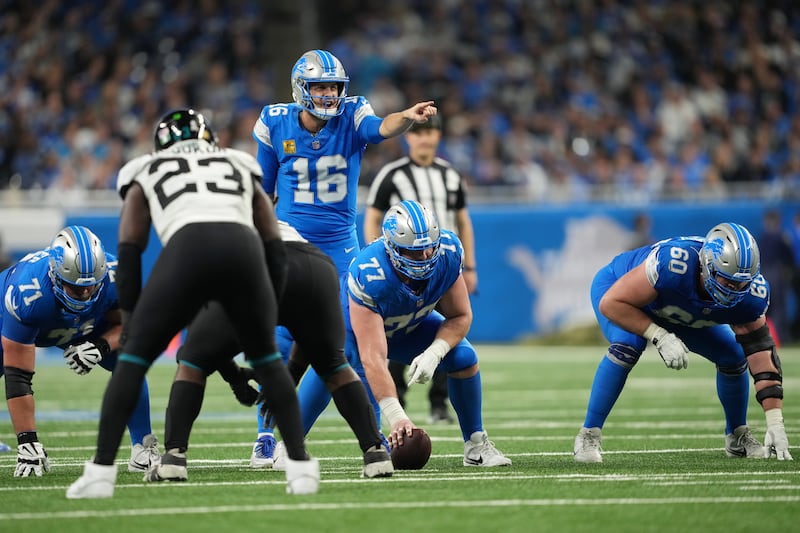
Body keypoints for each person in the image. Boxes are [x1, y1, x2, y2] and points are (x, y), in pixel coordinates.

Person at [66, 109, 318, 498]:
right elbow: (270, 238)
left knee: (132, 362)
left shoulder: (143, 169)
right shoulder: (238, 161)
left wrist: (131, 318)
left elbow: (130, 246)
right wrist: (271, 297)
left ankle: (101, 474)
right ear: (210, 140)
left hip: (187, 248)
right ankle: (301, 469)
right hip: (243, 251)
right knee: (269, 361)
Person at [248, 48, 438, 464]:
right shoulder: (275, 121)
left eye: (334, 85)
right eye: (320, 86)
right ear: (302, 88)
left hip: (340, 247)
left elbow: (378, 128)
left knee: (349, 343)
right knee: (281, 339)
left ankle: (378, 427)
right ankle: (266, 434)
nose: (330, 93)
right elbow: (263, 188)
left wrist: (406, 115)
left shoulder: (353, 115)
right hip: (288, 240)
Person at [144, 220, 393, 481]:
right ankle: (375, 453)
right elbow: (305, 339)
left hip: (250, 265)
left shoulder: (193, 237)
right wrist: (291, 374)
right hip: (314, 264)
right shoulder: (255, 214)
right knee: (334, 365)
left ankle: (173, 458)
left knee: (191, 364)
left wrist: (233, 377)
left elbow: (199, 344)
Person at [272, 200, 511, 468]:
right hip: (354, 327)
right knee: (338, 361)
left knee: (464, 357)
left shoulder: (447, 251)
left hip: (407, 324)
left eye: (428, 247)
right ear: (393, 248)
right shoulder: (370, 273)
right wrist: (397, 417)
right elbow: (373, 356)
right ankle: (290, 445)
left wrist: (435, 352)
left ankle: (476, 446)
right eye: (414, 252)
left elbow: (460, 316)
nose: (425, 257)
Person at [574, 222, 793, 463]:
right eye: (727, 281)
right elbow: (612, 303)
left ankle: (737, 435)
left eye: (742, 283)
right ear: (708, 267)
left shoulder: (752, 295)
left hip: (677, 309)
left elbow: (761, 355)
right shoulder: (674, 265)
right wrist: (659, 335)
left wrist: (775, 421)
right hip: (622, 292)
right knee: (629, 343)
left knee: (733, 354)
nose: (735, 290)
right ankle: (589, 434)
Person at [1, 225, 159, 476]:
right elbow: (18, 375)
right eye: (75, 287)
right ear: (55, 275)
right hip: (32, 319)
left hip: (85, 324)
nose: (85, 294)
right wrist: (27, 441)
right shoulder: (27, 294)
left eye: (92, 286)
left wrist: (100, 346)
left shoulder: (115, 278)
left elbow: (134, 326)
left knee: (129, 362)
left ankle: (142, 447)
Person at [364, 115, 479, 424]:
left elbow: (463, 220)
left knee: (449, 332)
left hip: (441, 268)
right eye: (419, 133)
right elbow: (372, 217)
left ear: (438, 136)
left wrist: (469, 267)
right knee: (396, 333)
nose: (425, 138)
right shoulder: (392, 174)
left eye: (431, 132)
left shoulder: (450, 175)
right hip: (402, 269)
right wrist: (379, 259)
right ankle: (395, 396)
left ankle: (438, 404)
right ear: (408, 138)